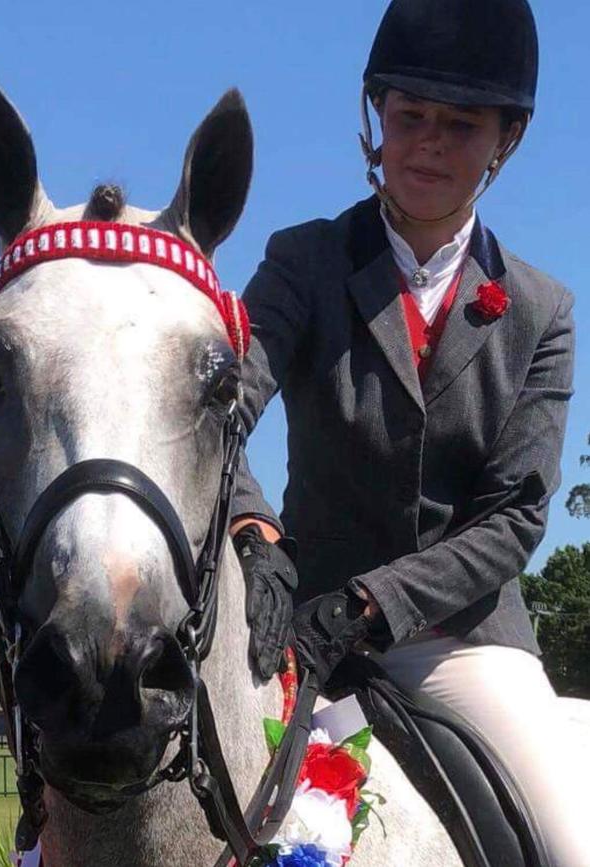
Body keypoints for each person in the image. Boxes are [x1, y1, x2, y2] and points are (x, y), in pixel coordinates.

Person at [230, 1, 587, 864]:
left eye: (460, 126)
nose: (429, 142)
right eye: (410, 116)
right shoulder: (304, 260)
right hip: (293, 625)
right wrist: (253, 526)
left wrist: (371, 603)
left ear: (505, 139)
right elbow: (218, 410)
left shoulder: (542, 312)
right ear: (375, 118)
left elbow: (513, 520)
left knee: (572, 841)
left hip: (460, 643)